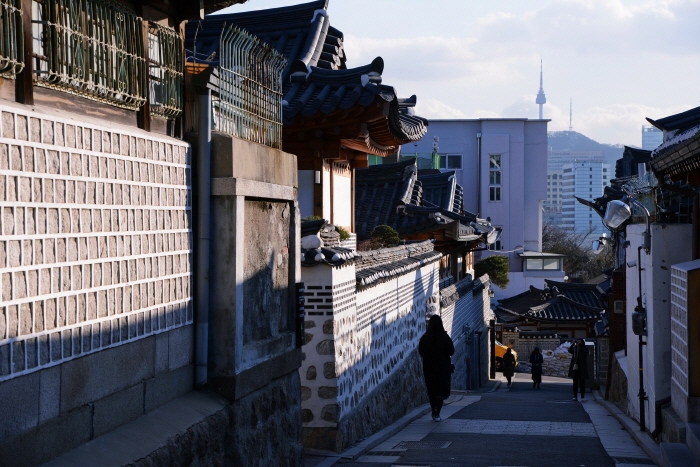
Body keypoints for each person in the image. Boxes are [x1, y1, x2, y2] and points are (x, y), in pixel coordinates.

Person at [418, 315, 455, 422]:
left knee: (432, 390)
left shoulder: (425, 337)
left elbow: (421, 352)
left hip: (429, 368)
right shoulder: (445, 337)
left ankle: (433, 411)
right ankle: (437, 412)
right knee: (440, 391)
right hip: (443, 368)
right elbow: (451, 351)